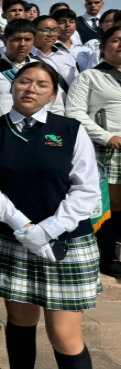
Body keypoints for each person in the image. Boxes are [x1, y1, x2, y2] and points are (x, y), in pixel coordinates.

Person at [0, 61, 100, 369]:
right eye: (24, 81)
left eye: (42, 84)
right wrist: (24, 227)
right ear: (12, 86)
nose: (31, 88)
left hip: (66, 244)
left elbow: (87, 189)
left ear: (53, 94)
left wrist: (47, 230)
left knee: (63, 335)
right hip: (13, 240)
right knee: (19, 320)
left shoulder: (70, 129)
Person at [66, 26, 121, 277]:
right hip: (106, 149)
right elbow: (74, 112)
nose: (120, 44)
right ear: (102, 47)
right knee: (108, 204)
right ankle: (107, 255)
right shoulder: (90, 77)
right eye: (115, 40)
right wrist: (106, 136)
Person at [0, 19, 64, 119]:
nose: (22, 44)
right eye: (16, 39)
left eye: (28, 39)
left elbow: (56, 107)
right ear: (5, 41)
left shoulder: (44, 69)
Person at [31, 16, 79, 92]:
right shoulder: (27, 58)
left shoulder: (67, 56)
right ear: (33, 31)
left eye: (55, 30)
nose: (52, 34)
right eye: (46, 30)